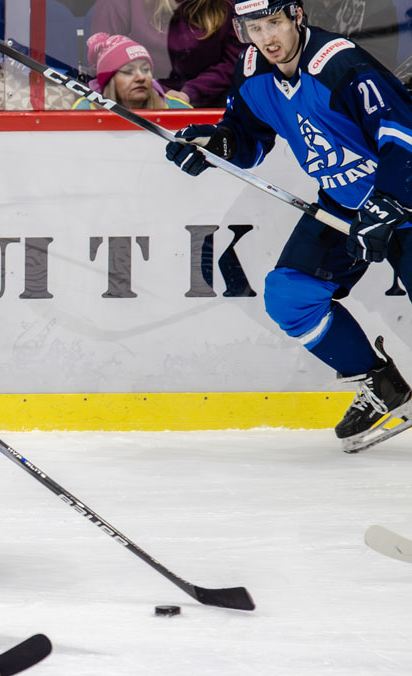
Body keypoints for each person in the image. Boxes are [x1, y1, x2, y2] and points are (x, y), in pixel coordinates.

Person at [164, 0, 412, 453]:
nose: (266, 39)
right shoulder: (252, 69)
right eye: (254, 28)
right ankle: (382, 386)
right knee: (290, 296)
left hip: (404, 198)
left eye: (274, 23)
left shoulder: (340, 65)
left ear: (297, 16)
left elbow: (402, 135)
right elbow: (247, 137)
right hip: (344, 204)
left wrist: (389, 203)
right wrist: (215, 144)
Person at [92, 0, 245, 106]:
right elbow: (103, 61)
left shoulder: (229, 4)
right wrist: (159, 91)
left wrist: (191, 92)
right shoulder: (118, 3)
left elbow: (235, 61)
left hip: (211, 105)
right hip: (138, 106)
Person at [73, 31, 193, 109]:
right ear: (110, 80)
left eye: (145, 70)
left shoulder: (178, 109)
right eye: (128, 71)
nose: (141, 78)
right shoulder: (85, 110)